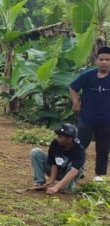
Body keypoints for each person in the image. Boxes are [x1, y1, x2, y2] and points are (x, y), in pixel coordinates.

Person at [69, 46, 110, 182]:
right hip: (86, 119)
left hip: (106, 120)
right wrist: (76, 102)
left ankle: (100, 175)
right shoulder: (88, 75)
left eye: (107, 60)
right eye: (101, 59)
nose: (104, 62)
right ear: (96, 60)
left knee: (103, 148)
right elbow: (73, 87)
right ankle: (77, 170)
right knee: (79, 146)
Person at [29, 124, 86, 194]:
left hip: (68, 174)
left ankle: (68, 187)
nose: (57, 138)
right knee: (36, 152)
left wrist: (56, 187)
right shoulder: (55, 144)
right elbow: (53, 163)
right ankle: (39, 183)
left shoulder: (79, 150)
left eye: (60, 137)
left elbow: (73, 171)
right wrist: (51, 181)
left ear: (69, 139)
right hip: (58, 171)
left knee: (79, 168)